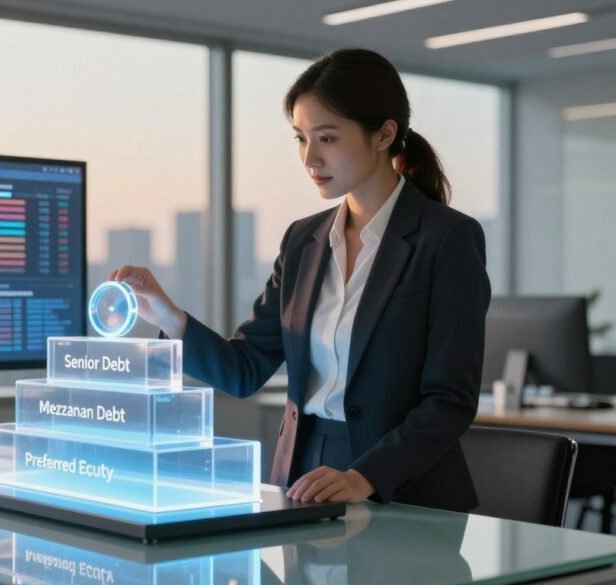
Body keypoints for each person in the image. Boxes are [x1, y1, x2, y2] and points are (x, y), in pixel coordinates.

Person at [108, 48, 490, 512]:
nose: (310, 158)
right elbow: (244, 369)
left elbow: (450, 400)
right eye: (301, 139)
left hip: (403, 487)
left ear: (384, 134)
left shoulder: (446, 238)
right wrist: (169, 317)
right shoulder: (302, 241)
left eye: (327, 138)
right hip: (303, 473)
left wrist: (364, 477)